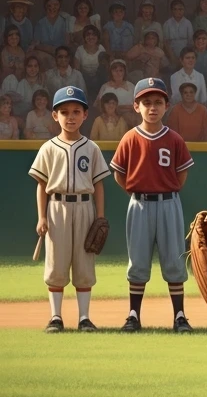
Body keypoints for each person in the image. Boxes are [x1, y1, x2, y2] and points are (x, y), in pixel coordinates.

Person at [111, 77, 194, 334]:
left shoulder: (175, 139)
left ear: (167, 105)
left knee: (174, 260)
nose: (152, 107)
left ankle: (180, 316)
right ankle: (133, 315)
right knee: (137, 261)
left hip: (169, 203)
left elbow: (182, 175)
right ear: (136, 106)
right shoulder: (129, 138)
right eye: (146, 102)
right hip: (140, 204)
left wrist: (166, 190)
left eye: (158, 102)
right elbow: (119, 173)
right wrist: (136, 194)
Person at [29, 86, 110, 333]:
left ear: (85, 115)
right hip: (57, 208)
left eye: (76, 111)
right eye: (64, 112)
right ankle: (56, 317)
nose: (71, 116)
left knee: (84, 264)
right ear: (55, 116)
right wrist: (41, 216)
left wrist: (100, 217)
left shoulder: (92, 147)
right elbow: (42, 186)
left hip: (84, 207)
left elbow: (98, 185)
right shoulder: (48, 147)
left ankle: (84, 318)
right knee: (57, 263)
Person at [33, 0, 71, 67]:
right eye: (49, 5)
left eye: (55, 5)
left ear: (60, 7)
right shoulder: (40, 23)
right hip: (44, 54)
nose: (52, 8)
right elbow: (36, 44)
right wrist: (49, 50)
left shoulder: (65, 21)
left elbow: (67, 44)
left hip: (61, 54)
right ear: (45, 7)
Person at [74, 25, 106, 101]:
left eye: (94, 35)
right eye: (88, 34)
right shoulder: (80, 50)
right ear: (84, 37)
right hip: (84, 78)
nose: (91, 37)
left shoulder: (101, 48)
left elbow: (105, 67)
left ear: (97, 37)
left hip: (99, 78)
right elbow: (77, 69)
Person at [5, 54, 43, 118]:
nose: (33, 69)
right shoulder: (21, 83)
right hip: (19, 117)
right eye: (30, 66)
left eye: (35, 66)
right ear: (25, 67)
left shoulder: (42, 84)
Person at [164, 0, 195, 67]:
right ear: (172, 11)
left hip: (185, 54)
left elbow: (190, 42)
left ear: (184, 10)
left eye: (180, 9)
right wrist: (172, 57)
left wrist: (185, 57)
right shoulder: (167, 24)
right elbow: (166, 43)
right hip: (171, 54)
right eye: (175, 9)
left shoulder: (188, 23)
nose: (178, 11)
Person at [105, 58, 136, 123]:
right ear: (111, 72)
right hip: (109, 117)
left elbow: (137, 105)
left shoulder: (131, 86)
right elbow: (99, 105)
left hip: (129, 117)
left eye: (120, 70)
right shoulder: (105, 87)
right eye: (115, 70)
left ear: (124, 72)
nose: (118, 73)